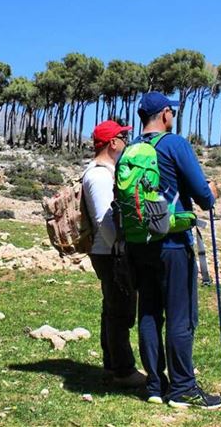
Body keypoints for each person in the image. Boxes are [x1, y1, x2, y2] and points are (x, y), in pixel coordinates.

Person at [127, 92, 221, 409]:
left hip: (141, 243)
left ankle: (155, 385)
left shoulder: (131, 149)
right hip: (173, 243)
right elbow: (203, 197)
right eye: (172, 111)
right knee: (181, 317)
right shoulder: (175, 144)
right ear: (165, 114)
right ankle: (182, 388)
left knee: (150, 313)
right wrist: (212, 193)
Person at [83, 120, 145, 387]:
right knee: (120, 311)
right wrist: (123, 249)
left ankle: (113, 365)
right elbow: (103, 220)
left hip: (109, 250)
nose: (125, 141)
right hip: (110, 252)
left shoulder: (104, 172)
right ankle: (123, 370)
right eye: (123, 136)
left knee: (112, 309)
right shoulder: (98, 175)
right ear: (113, 143)